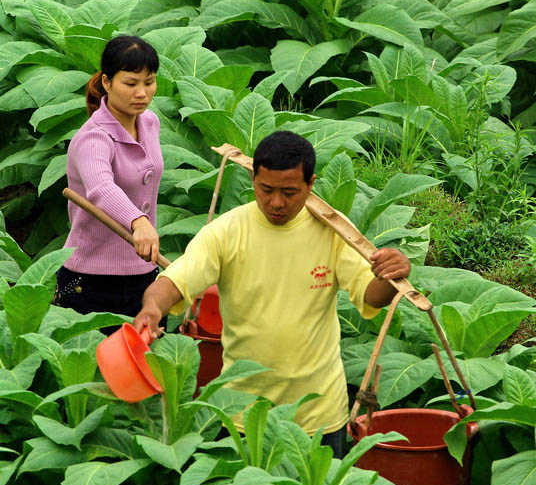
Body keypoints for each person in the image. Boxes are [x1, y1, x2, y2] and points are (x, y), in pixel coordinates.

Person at [133, 131, 410, 456]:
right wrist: (152, 309)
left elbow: (371, 295)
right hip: (241, 414)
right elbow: (177, 279)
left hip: (318, 415)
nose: (276, 202)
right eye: (266, 190)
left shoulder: (333, 232)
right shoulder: (227, 231)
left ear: (311, 184)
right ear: (253, 178)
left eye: (290, 192)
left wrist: (392, 276)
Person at [54, 35, 164, 324]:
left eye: (149, 82)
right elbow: (101, 187)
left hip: (144, 273)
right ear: (106, 82)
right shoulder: (93, 137)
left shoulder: (150, 123)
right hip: (90, 279)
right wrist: (139, 222)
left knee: (149, 364)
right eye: (131, 83)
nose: (142, 92)